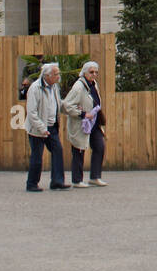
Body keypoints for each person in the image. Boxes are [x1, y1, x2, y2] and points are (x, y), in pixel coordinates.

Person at [61, 60, 107, 188]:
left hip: (94, 122)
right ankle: (77, 180)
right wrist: (82, 114)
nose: (94, 75)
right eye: (91, 72)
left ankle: (95, 176)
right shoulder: (78, 87)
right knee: (78, 149)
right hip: (81, 123)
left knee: (99, 147)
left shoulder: (94, 84)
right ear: (84, 73)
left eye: (96, 72)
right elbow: (66, 105)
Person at [25, 63, 67, 192]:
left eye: (58, 74)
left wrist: (75, 110)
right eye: (56, 74)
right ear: (47, 75)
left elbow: (59, 103)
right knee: (37, 157)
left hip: (52, 126)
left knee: (58, 150)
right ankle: (32, 183)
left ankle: (57, 181)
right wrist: (41, 128)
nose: (58, 76)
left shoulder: (55, 87)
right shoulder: (35, 88)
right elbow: (31, 112)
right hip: (37, 129)